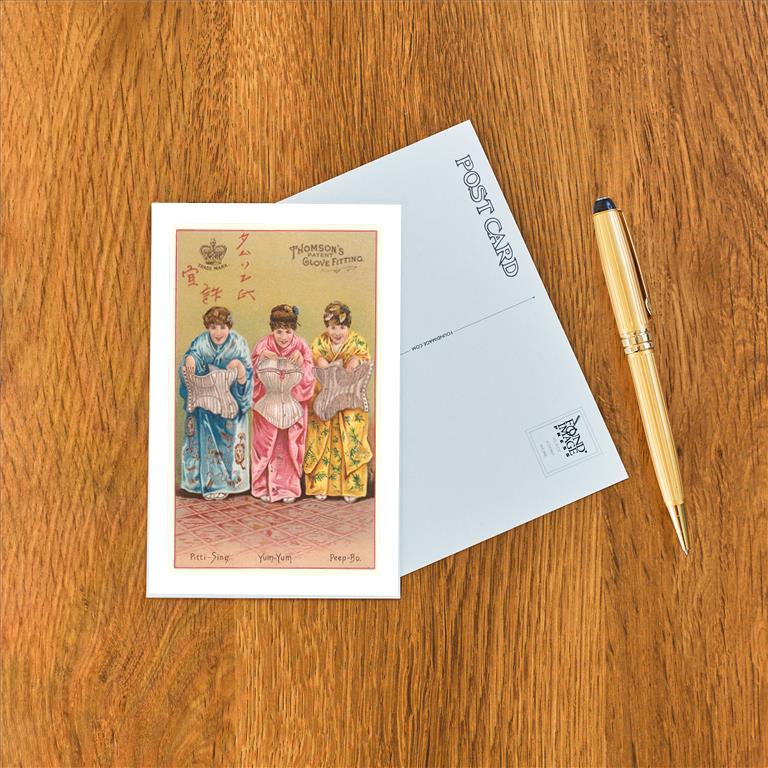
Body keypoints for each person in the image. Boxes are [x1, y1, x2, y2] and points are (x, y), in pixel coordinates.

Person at [179, 306, 253, 500]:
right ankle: (197, 482)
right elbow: (191, 360)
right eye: (213, 327)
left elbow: (247, 372)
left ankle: (227, 483)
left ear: (229, 327)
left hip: (230, 402)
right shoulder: (201, 342)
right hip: (206, 403)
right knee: (203, 436)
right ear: (207, 328)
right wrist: (190, 360)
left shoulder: (238, 343)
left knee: (229, 441)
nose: (218, 332)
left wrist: (240, 371)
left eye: (222, 327)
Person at [304, 301, 373, 502]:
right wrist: (322, 363)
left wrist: (355, 361)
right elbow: (315, 361)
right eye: (333, 327)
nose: (337, 332)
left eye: (342, 327)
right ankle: (320, 485)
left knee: (351, 438)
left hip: (349, 399)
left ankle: (351, 488)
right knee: (320, 437)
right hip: (325, 398)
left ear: (348, 326)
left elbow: (363, 360)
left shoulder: (357, 342)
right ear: (327, 326)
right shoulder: (319, 342)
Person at [250, 305, 315, 503]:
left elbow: (310, 376)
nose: (284, 336)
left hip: (292, 403)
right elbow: (251, 373)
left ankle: (288, 488)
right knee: (264, 445)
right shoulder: (263, 345)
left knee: (289, 446)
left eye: (288, 331)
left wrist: (302, 361)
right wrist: (261, 358)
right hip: (267, 404)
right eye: (279, 331)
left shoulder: (301, 346)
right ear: (272, 329)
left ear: (294, 329)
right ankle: (262, 486)